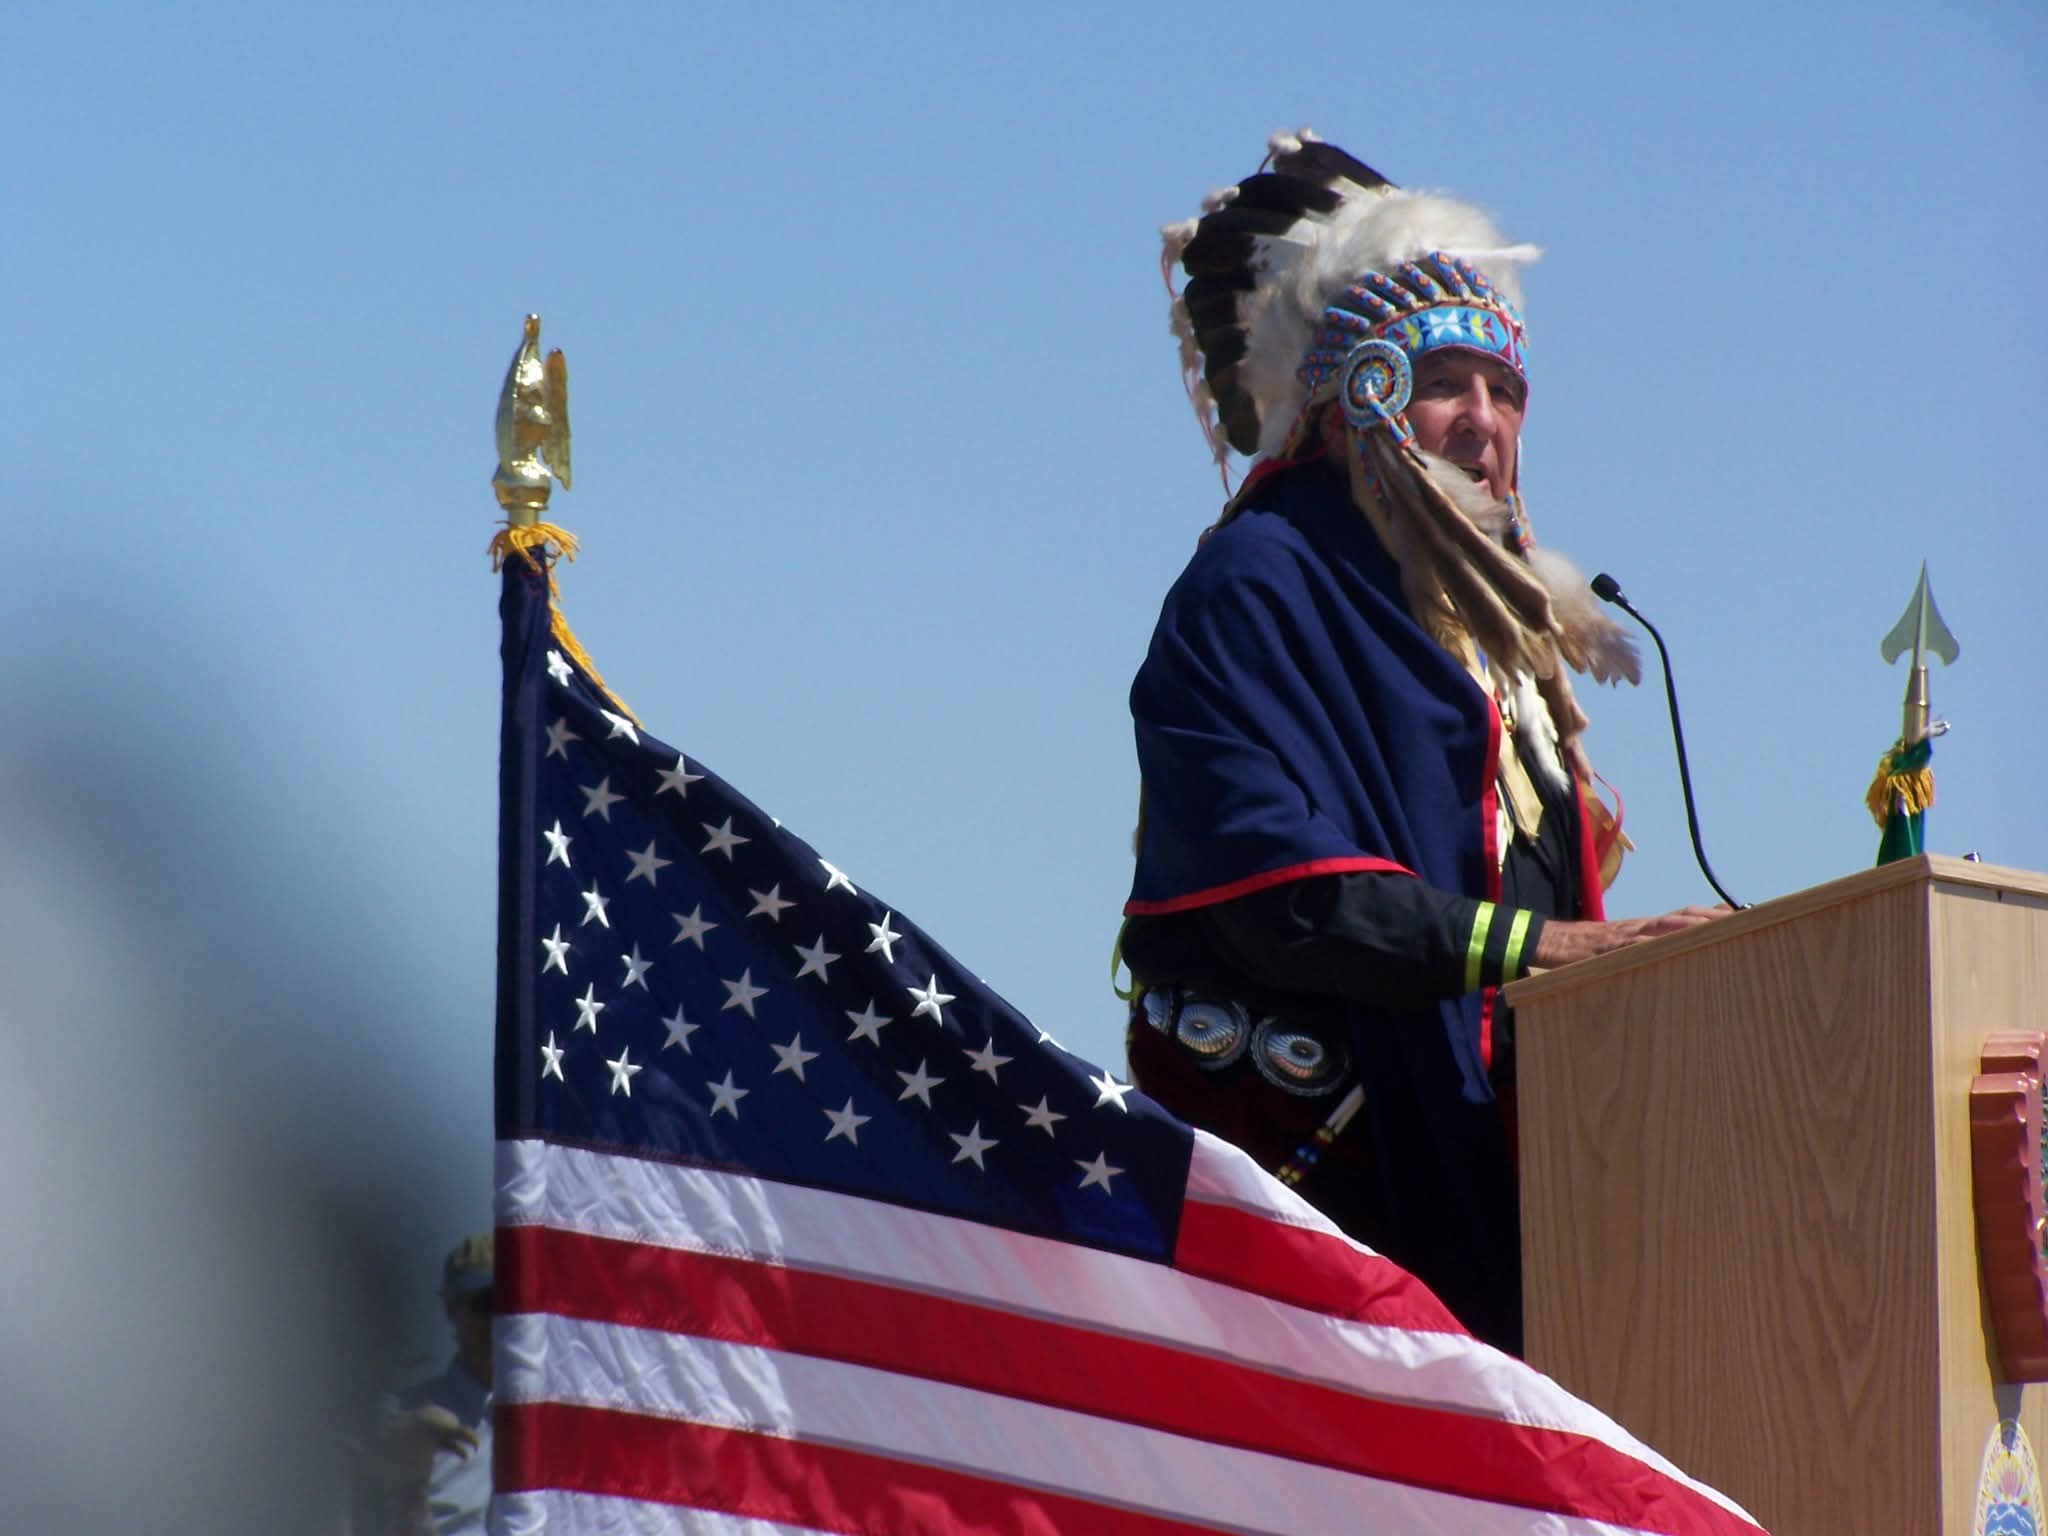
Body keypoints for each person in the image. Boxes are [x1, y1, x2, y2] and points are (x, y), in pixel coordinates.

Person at [1121, 131, 1719, 1354]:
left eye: (1506, 394)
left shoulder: (1495, 632)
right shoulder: (1259, 583)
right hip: (1331, 1176)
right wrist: (1543, 949)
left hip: (1507, 1173)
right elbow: (1273, 892)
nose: (1483, 423)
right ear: (1358, 398)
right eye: (1445, 382)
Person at [365, 1232, 495, 1535]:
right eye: (486, 1302)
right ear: (452, 1309)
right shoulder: (398, 1420)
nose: (500, 1317)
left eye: (516, 1304)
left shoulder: (560, 1422)